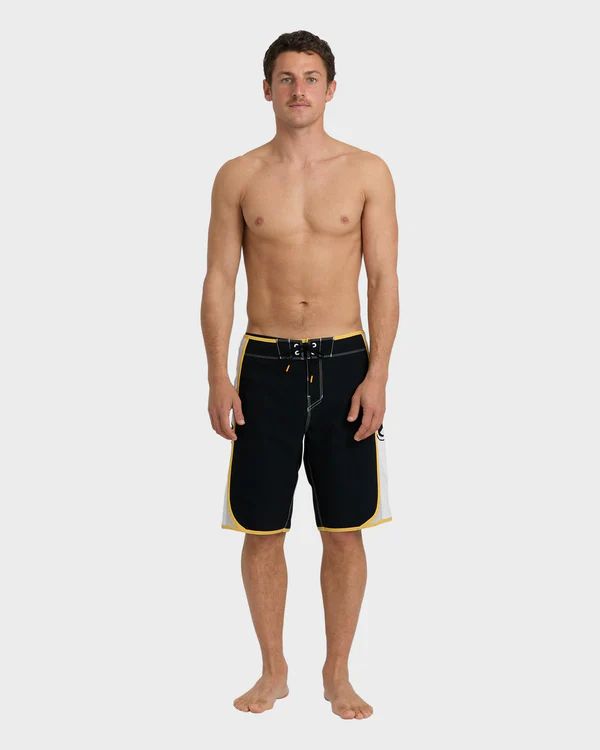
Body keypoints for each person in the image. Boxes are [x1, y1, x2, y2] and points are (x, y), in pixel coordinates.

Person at [200, 29, 399, 720]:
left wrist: (378, 374)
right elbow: (219, 278)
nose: (299, 90)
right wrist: (216, 375)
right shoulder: (239, 175)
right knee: (262, 528)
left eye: (311, 78)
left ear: (331, 88)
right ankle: (273, 669)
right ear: (267, 90)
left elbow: (385, 278)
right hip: (265, 365)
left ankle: (337, 673)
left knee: (344, 528)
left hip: (344, 363)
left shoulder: (367, 171)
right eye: (285, 78)